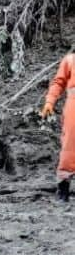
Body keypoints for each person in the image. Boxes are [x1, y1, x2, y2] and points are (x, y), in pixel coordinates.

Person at [40, 51, 75, 201]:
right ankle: (63, 190)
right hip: (73, 107)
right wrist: (49, 102)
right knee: (69, 146)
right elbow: (58, 82)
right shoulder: (70, 60)